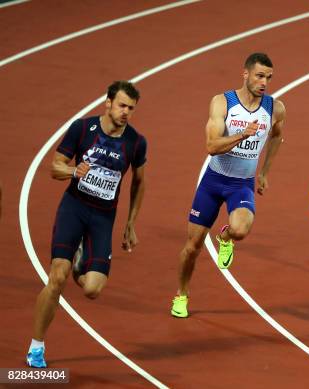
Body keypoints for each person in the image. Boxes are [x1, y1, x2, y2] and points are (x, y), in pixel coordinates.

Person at [26, 81, 147, 368]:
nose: (126, 112)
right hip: (74, 208)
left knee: (93, 289)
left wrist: (131, 222)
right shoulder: (82, 129)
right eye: (121, 105)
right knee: (57, 277)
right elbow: (55, 166)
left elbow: (140, 182)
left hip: (103, 218)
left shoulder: (136, 142)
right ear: (107, 102)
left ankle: (81, 262)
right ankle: (36, 347)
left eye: (131, 108)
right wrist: (73, 170)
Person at [171, 53, 286, 318]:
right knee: (192, 247)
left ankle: (225, 237)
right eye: (259, 76)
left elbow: (277, 136)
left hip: (241, 184)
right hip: (213, 181)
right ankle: (181, 295)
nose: (264, 82)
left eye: (268, 78)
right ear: (245, 74)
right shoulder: (222, 103)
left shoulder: (275, 108)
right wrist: (242, 134)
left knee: (241, 230)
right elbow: (211, 146)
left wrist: (265, 172)